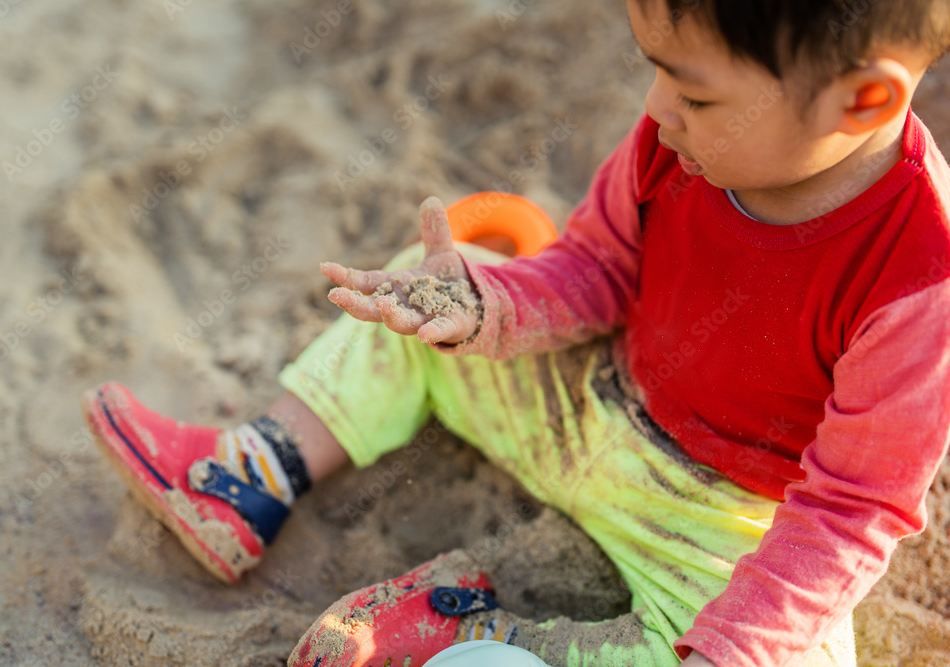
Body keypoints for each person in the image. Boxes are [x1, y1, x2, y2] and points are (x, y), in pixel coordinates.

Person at [80, 0, 950, 665]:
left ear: (863, 97)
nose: (656, 106)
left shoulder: (921, 274)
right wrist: (489, 306)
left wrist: (726, 649)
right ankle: (255, 470)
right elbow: (597, 267)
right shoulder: (674, 141)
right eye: (658, 74)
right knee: (426, 287)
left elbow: (846, 513)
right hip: (588, 406)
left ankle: (491, 632)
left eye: (691, 90)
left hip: (715, 523)